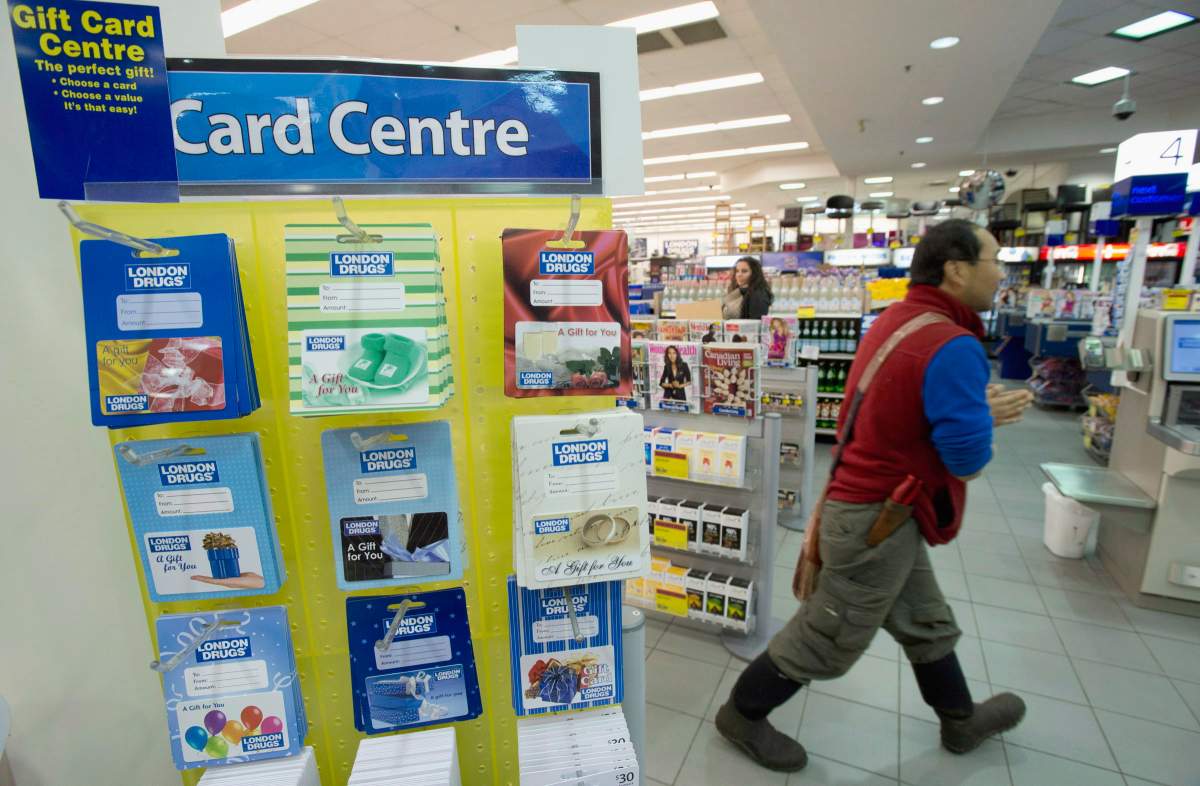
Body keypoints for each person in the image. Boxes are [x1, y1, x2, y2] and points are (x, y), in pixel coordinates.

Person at [715, 219, 1034, 772]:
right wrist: (982, 418)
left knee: (924, 618)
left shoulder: (896, 320)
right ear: (957, 271)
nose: (1001, 274)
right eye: (994, 261)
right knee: (828, 633)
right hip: (876, 520)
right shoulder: (953, 344)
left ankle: (959, 718)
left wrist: (966, 408)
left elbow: (895, 412)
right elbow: (966, 460)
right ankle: (742, 714)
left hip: (879, 510)